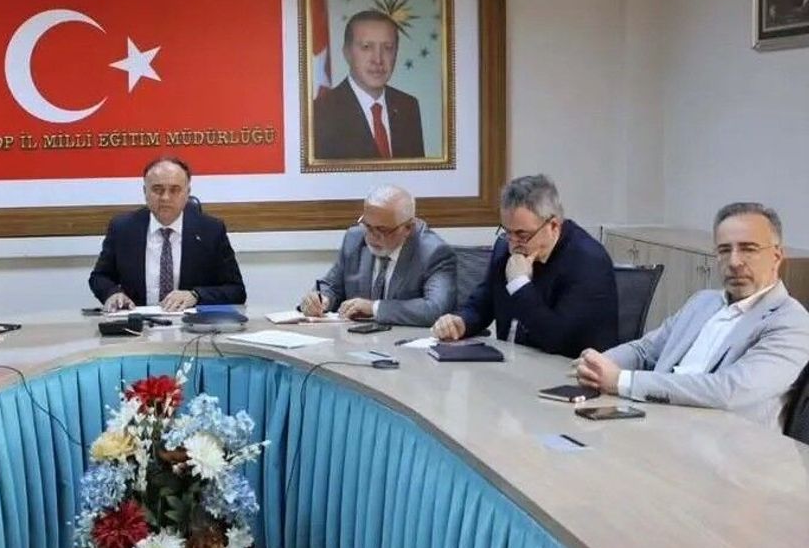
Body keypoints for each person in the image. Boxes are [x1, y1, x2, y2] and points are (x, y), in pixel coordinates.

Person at [576, 203, 809, 429]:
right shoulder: (703, 302)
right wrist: (596, 366)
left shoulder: (792, 323)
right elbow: (644, 350)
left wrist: (622, 381)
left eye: (749, 249)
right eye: (724, 250)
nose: (734, 262)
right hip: (655, 422)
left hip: (724, 444)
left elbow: (729, 391)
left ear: (777, 256)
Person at [431, 174, 617, 358]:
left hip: (570, 369)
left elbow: (557, 339)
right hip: (512, 364)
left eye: (522, 235)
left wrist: (519, 284)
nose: (513, 244)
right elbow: (482, 304)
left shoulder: (588, 262)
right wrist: (461, 322)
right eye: (507, 232)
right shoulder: (505, 247)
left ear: (553, 226)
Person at [89, 157, 246, 311]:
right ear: (145, 192)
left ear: (187, 193)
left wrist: (196, 295)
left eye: (174, 190)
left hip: (192, 323)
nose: (165, 197)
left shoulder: (211, 230)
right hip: (137, 322)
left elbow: (236, 291)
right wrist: (112, 293)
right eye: (157, 189)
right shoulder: (123, 228)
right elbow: (99, 277)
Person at [299, 185, 455, 325]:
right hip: (355, 341)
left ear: (408, 228)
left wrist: (374, 308)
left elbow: (435, 309)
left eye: (382, 230)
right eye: (367, 226)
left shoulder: (434, 252)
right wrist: (321, 299)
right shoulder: (355, 239)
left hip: (404, 343)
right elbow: (332, 286)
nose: (372, 236)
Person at [312, 10, 424, 160]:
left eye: (388, 47)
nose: (378, 59)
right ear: (347, 52)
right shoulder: (320, 113)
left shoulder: (408, 106)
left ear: (396, 53)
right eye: (366, 47)